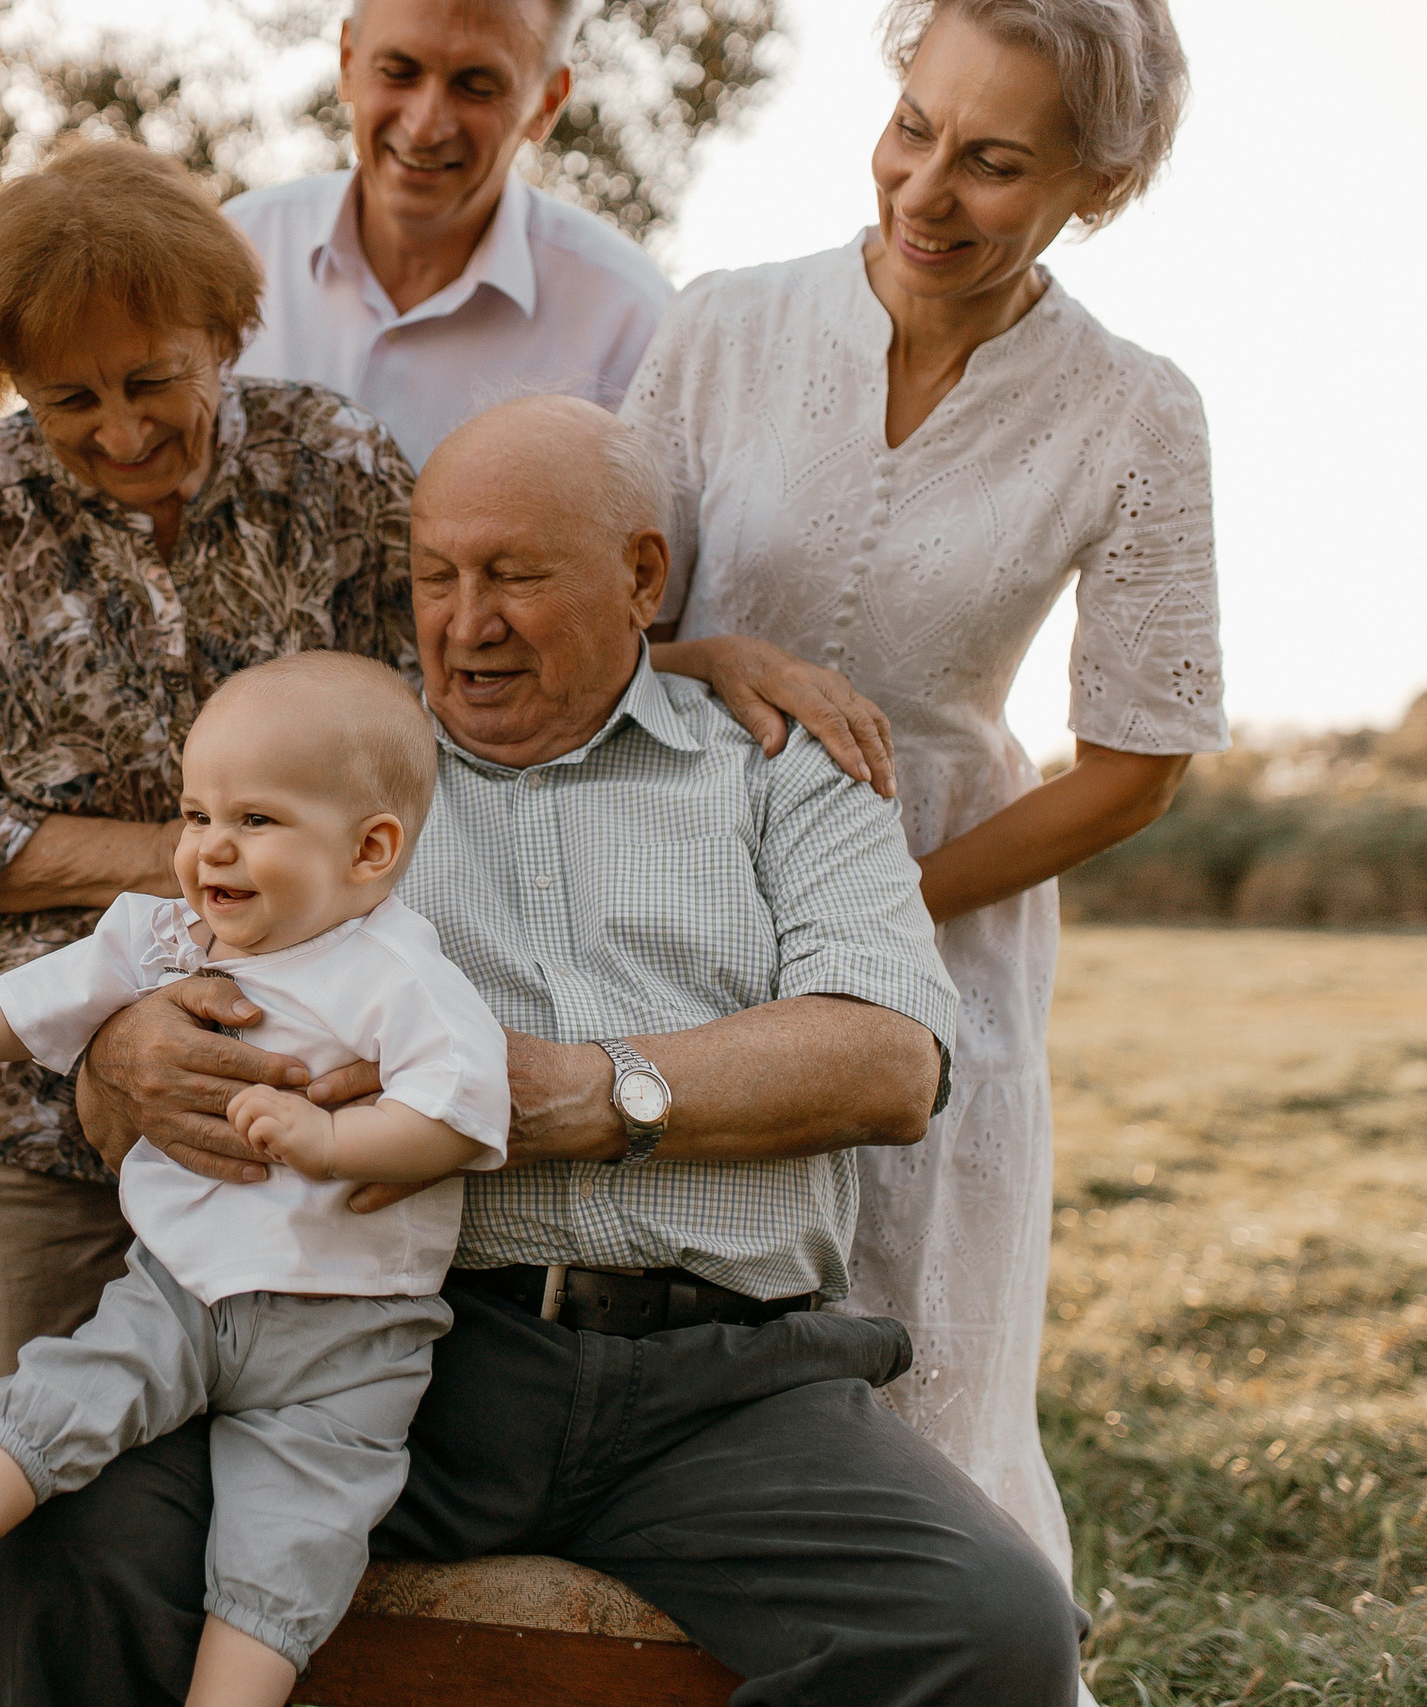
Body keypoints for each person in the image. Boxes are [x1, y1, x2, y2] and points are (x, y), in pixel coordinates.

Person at [0, 397, 1088, 1706]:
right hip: (396, 1350)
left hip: (721, 1383)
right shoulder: (349, 787)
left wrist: (578, 1092)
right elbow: (167, 958)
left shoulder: (783, 768)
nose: (466, 618)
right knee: (71, 1532)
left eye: (513, 574)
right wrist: (123, 1047)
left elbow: (889, 1059)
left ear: (642, 578)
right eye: (435, 575)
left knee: (995, 1631)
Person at [622, 0, 1224, 1581]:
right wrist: (711, 658)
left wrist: (884, 905)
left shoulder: (1136, 406)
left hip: (945, 915)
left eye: (996, 163)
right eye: (914, 129)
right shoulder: (722, 323)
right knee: (673, 1351)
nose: (926, 190)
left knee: (920, 1359)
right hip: (674, 886)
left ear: (1099, 184)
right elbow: (584, 625)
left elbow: (1137, 767)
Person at [0, 138, 418, 1439]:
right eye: (67, 399)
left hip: (297, 1126)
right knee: (35, 1490)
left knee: (290, 1498)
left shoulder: (341, 469)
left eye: (152, 378)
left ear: (226, 330)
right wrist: (187, 854)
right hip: (27, 1137)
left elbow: (440, 745)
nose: (117, 430)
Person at [0, 653, 507, 1705]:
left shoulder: (400, 973)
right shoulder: (175, 933)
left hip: (347, 1343)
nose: (208, 849)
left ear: (370, 850)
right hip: (180, 1289)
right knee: (66, 1386)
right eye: (195, 815)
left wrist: (333, 1145)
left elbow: (458, 1111)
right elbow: (64, 988)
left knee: (289, 1543)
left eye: (255, 822)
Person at [223, 0, 672, 469]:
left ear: (545, 104)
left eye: (476, 87)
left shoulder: (633, 326)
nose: (425, 127)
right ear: (348, 61)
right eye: (398, 72)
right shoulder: (232, 253)